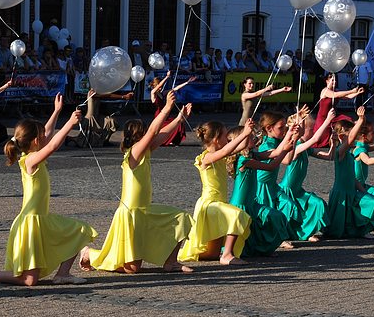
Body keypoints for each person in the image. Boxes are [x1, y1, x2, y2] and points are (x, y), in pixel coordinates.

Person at [0, 99, 96, 286]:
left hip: (42, 219)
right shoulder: (29, 161)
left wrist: (57, 111)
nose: (46, 137)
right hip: (30, 223)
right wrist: (69, 124)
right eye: (41, 136)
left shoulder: (34, 154)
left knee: (79, 229)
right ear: (36, 141)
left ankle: (63, 274)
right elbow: (51, 146)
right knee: (29, 280)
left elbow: (47, 134)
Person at [79, 92, 194, 273]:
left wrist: (179, 119)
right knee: (131, 269)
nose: (147, 136)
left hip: (144, 211)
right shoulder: (133, 153)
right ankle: (89, 254)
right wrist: (166, 108)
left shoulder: (145, 150)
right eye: (143, 133)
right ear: (137, 136)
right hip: (130, 214)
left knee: (181, 217)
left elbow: (162, 134)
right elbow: (153, 132)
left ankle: (171, 262)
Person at [178, 121, 253, 264]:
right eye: (226, 136)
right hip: (210, 204)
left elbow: (242, 146)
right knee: (237, 215)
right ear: (216, 139)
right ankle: (227, 255)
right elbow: (225, 151)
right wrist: (244, 133)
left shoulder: (219, 154)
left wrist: (247, 132)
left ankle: (218, 254)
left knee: (211, 254)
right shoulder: (206, 158)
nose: (228, 139)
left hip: (219, 203)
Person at [226, 125, 293, 257]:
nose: (254, 138)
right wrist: (285, 151)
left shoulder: (252, 155)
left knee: (276, 216)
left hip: (251, 203)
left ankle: (261, 248)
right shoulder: (243, 160)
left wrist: (290, 133)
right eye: (250, 136)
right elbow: (271, 166)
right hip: (241, 205)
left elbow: (274, 153)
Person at [324, 108, 374, 239]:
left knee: (371, 202)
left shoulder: (348, 152)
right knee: (337, 230)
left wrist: (363, 191)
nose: (355, 137)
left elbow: (352, 178)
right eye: (352, 134)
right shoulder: (339, 151)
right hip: (341, 192)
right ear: (342, 136)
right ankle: (356, 231)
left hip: (351, 190)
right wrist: (360, 120)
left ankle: (362, 230)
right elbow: (350, 138)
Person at [278, 110, 335, 242]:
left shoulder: (305, 148)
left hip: (298, 190)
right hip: (288, 189)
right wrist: (327, 120)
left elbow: (329, 157)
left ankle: (307, 231)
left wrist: (333, 144)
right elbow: (315, 139)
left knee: (318, 203)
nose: (313, 131)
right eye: (311, 128)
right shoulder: (296, 147)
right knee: (292, 209)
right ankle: (293, 234)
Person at [312, 73, 361, 148]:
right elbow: (336, 95)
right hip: (323, 117)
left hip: (333, 115)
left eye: (335, 80)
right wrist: (351, 91)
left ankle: (348, 139)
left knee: (348, 120)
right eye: (332, 80)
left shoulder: (336, 90)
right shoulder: (325, 91)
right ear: (327, 81)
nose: (334, 82)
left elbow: (347, 97)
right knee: (322, 135)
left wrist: (357, 92)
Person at [148, 72, 195, 146]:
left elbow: (175, 88)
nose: (161, 88)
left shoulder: (163, 93)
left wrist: (187, 82)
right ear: (155, 86)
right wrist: (167, 77)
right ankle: (163, 140)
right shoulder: (153, 93)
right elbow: (159, 85)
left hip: (166, 114)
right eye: (159, 86)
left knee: (178, 123)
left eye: (161, 87)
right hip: (159, 115)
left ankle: (173, 140)